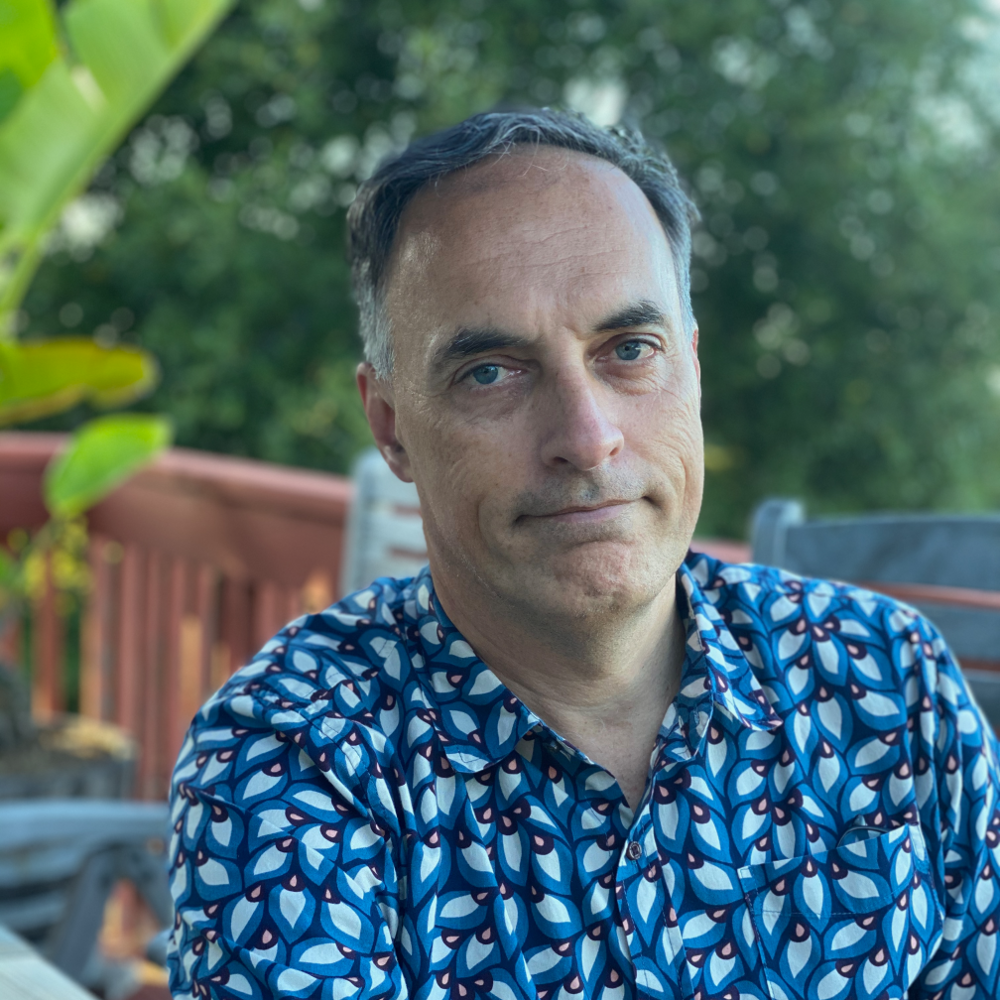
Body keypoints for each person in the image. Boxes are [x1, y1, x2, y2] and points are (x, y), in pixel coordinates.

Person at [166, 109, 1000, 1000]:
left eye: (630, 350)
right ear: (392, 425)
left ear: (692, 369)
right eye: (491, 371)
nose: (587, 436)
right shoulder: (294, 757)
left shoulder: (884, 680)